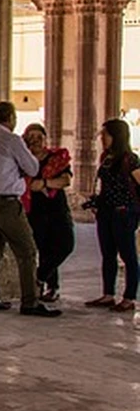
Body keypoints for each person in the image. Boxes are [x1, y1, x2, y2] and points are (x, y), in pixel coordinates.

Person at [0, 101, 60, 317]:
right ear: (11, 118)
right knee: (27, 251)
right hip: (6, 201)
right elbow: (32, 167)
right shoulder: (11, 139)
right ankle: (30, 301)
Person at [84, 119, 140, 313]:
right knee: (108, 254)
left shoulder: (130, 159)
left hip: (123, 212)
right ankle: (108, 294)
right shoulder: (106, 157)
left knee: (128, 255)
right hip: (106, 212)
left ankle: (129, 297)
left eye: (106, 134)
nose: (102, 138)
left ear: (117, 136)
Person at [20, 124, 74, 303]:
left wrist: (44, 183)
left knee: (65, 245)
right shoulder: (23, 161)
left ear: (45, 139)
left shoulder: (56, 158)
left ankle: (39, 277)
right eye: (31, 137)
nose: (35, 140)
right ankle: (51, 287)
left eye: (39, 137)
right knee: (44, 249)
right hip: (35, 211)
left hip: (57, 209)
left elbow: (65, 180)